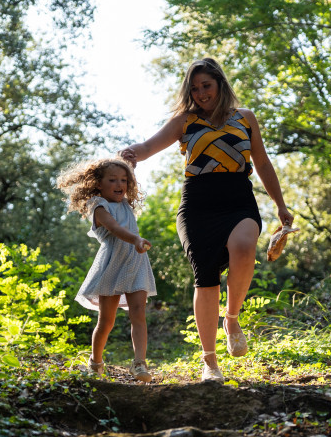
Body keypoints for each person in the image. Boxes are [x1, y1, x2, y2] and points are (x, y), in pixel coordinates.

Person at [120, 57, 293, 383]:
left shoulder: (246, 118)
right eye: (195, 88)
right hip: (197, 205)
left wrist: (280, 205)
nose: (201, 93)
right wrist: (131, 154)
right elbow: (147, 146)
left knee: (244, 249)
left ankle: (231, 318)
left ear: (220, 85)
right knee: (207, 277)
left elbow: (263, 163)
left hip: (238, 199)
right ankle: (210, 362)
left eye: (206, 86)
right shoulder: (184, 121)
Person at [56, 157, 156, 383]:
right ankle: (95, 362)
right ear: (98, 183)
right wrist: (137, 240)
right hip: (113, 263)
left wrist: (129, 163)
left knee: (138, 312)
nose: (119, 184)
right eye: (112, 180)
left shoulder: (126, 204)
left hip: (136, 261)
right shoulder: (98, 206)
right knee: (106, 321)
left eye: (123, 180)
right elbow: (115, 228)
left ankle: (139, 363)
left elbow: (126, 176)